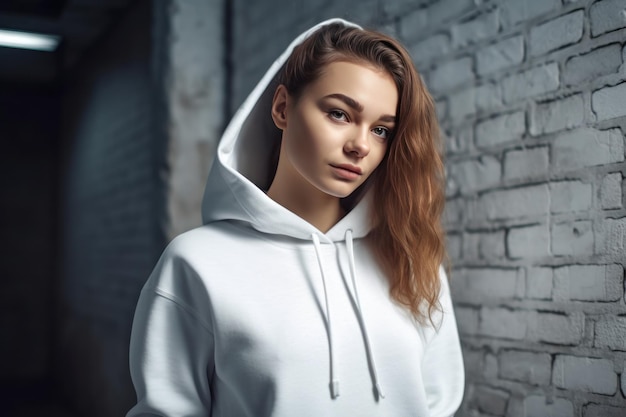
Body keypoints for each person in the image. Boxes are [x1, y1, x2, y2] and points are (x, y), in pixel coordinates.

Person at [126, 18, 464, 417]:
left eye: (381, 130)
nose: (360, 145)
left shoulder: (409, 258)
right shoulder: (196, 263)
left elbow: (437, 403)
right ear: (283, 107)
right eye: (339, 114)